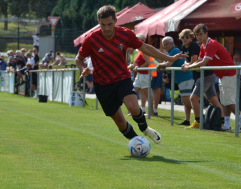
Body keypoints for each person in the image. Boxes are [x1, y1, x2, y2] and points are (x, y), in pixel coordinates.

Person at [75, 5, 187, 144]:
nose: (107, 28)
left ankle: (145, 129)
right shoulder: (91, 39)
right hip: (102, 84)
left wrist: (169, 58)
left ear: (116, 20)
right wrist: (82, 68)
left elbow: (145, 47)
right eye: (103, 25)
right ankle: (138, 142)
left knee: (133, 107)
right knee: (120, 122)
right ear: (99, 22)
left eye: (110, 24)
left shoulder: (125, 34)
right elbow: (78, 59)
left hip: (122, 78)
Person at [181, 23, 239, 131]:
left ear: (206, 33)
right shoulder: (203, 45)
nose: (199, 37)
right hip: (222, 75)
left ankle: (237, 122)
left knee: (229, 102)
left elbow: (203, 63)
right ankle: (226, 125)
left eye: (201, 34)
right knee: (225, 102)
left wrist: (188, 67)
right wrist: (188, 65)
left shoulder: (211, 44)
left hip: (229, 73)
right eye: (197, 35)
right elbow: (199, 60)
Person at [179, 29, 224, 129]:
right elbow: (189, 62)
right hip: (202, 75)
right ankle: (222, 122)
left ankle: (198, 121)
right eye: (182, 37)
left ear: (191, 37)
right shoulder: (183, 46)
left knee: (193, 98)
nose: (185, 39)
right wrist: (186, 65)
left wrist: (187, 66)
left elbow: (194, 62)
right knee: (213, 100)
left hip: (206, 74)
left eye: (187, 37)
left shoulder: (194, 45)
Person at [157, 36, 194, 126]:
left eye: (166, 44)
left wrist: (159, 65)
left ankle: (201, 115)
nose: (165, 46)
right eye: (163, 45)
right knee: (185, 100)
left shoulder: (174, 51)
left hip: (185, 78)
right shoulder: (171, 52)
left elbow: (168, 64)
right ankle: (187, 120)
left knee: (186, 100)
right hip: (182, 79)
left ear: (172, 43)